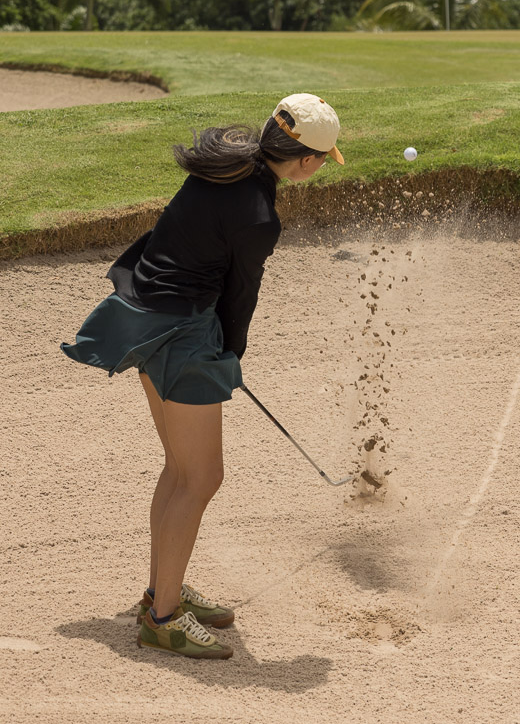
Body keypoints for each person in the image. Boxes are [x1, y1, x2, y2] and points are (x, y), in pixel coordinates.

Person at [61, 93, 344, 660]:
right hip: (182, 334)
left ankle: (161, 589)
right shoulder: (260, 216)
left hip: (141, 316)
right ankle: (163, 618)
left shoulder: (226, 157)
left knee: (181, 469)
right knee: (202, 477)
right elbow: (241, 294)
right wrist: (230, 355)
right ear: (309, 161)